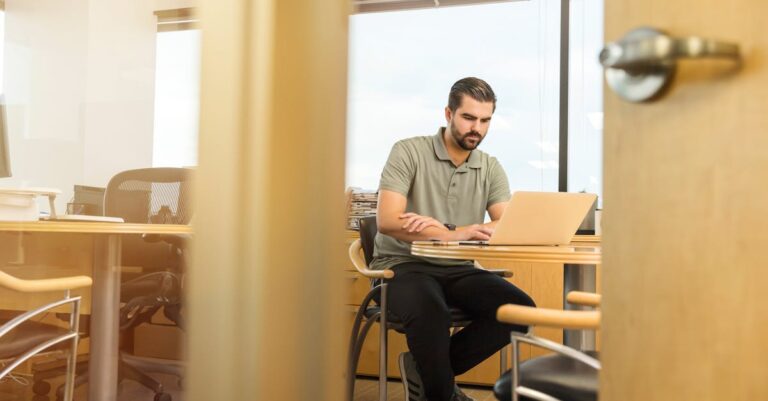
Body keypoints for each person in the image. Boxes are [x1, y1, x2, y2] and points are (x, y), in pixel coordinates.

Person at [370, 77, 535, 401]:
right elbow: (388, 220)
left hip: (459, 268)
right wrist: (452, 233)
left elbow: (504, 222)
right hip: (401, 266)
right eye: (469, 118)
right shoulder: (409, 150)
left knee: (520, 311)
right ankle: (442, 391)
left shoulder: (489, 167)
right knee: (432, 311)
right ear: (448, 113)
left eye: (485, 120)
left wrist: (453, 232)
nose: (477, 128)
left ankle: (428, 373)